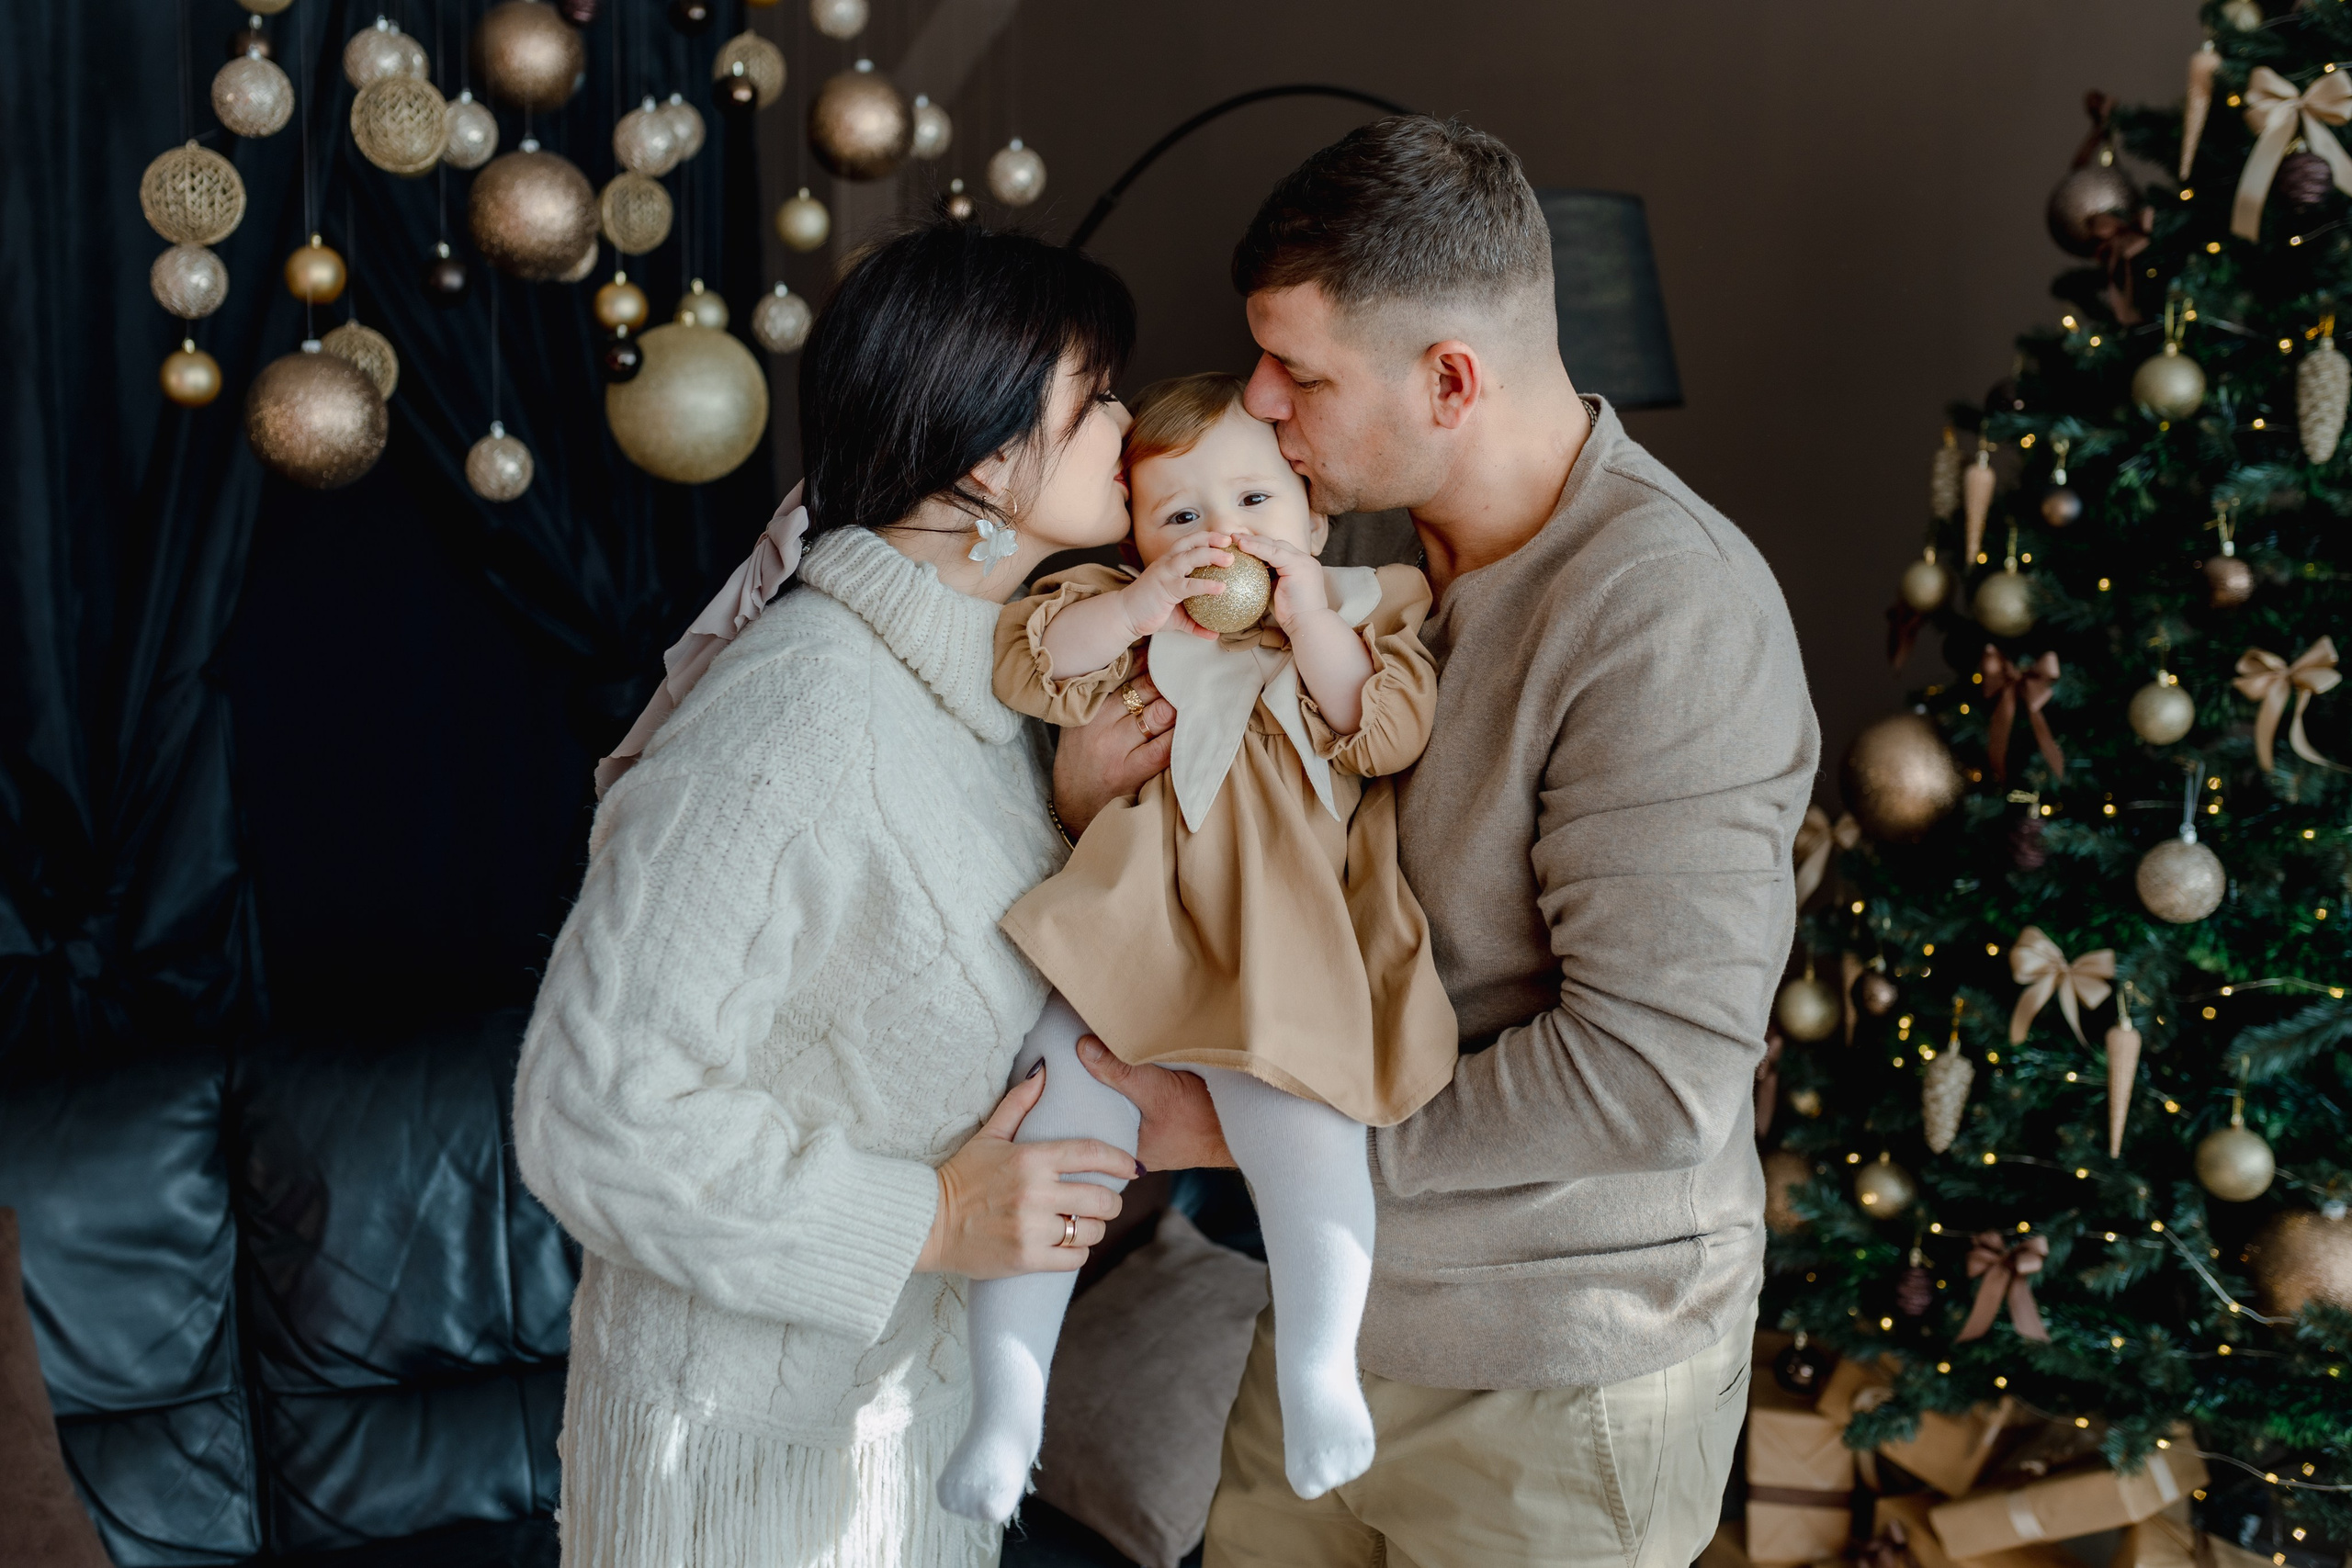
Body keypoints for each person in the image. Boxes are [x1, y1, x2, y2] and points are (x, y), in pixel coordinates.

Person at [1061, 116, 1823, 1568]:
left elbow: (1648, 1078)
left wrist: (1241, 1131)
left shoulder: (1669, 616)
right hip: (1336, 1313)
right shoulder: (1345, 559)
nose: (1261, 403)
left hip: (1557, 1375)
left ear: (1451, 381)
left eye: (1301, 372)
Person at [512, 221, 1163, 1568]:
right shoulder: (796, 710)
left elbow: (906, 945)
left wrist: (1072, 816)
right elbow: (592, 1108)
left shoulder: (982, 701)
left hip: (904, 1435)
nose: (1129, 423)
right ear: (986, 458)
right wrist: (930, 1218)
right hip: (738, 1469)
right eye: (1096, 393)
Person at [938, 373, 1456, 1523]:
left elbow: (1383, 732)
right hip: (1135, 930)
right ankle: (1006, 1409)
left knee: (1304, 1124)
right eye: (1177, 515)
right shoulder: (1123, 612)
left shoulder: (1364, 607)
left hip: (1281, 944)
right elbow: (1029, 660)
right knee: (1056, 1114)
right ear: (1133, 537)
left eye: (1253, 501)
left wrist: (1310, 620)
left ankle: (1319, 1371)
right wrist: (1138, 608)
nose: (1219, 535)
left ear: (1311, 515)